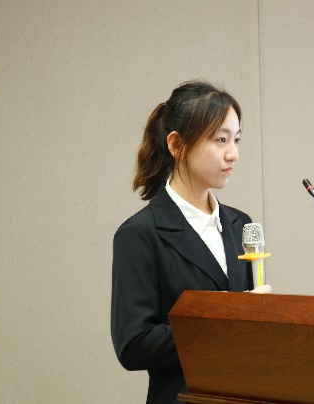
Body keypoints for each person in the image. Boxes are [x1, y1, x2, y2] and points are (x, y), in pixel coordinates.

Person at [111, 81, 271, 403]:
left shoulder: (241, 224)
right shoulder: (140, 234)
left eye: (236, 140)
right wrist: (227, 323)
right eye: (221, 139)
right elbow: (134, 344)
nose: (233, 154)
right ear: (177, 144)